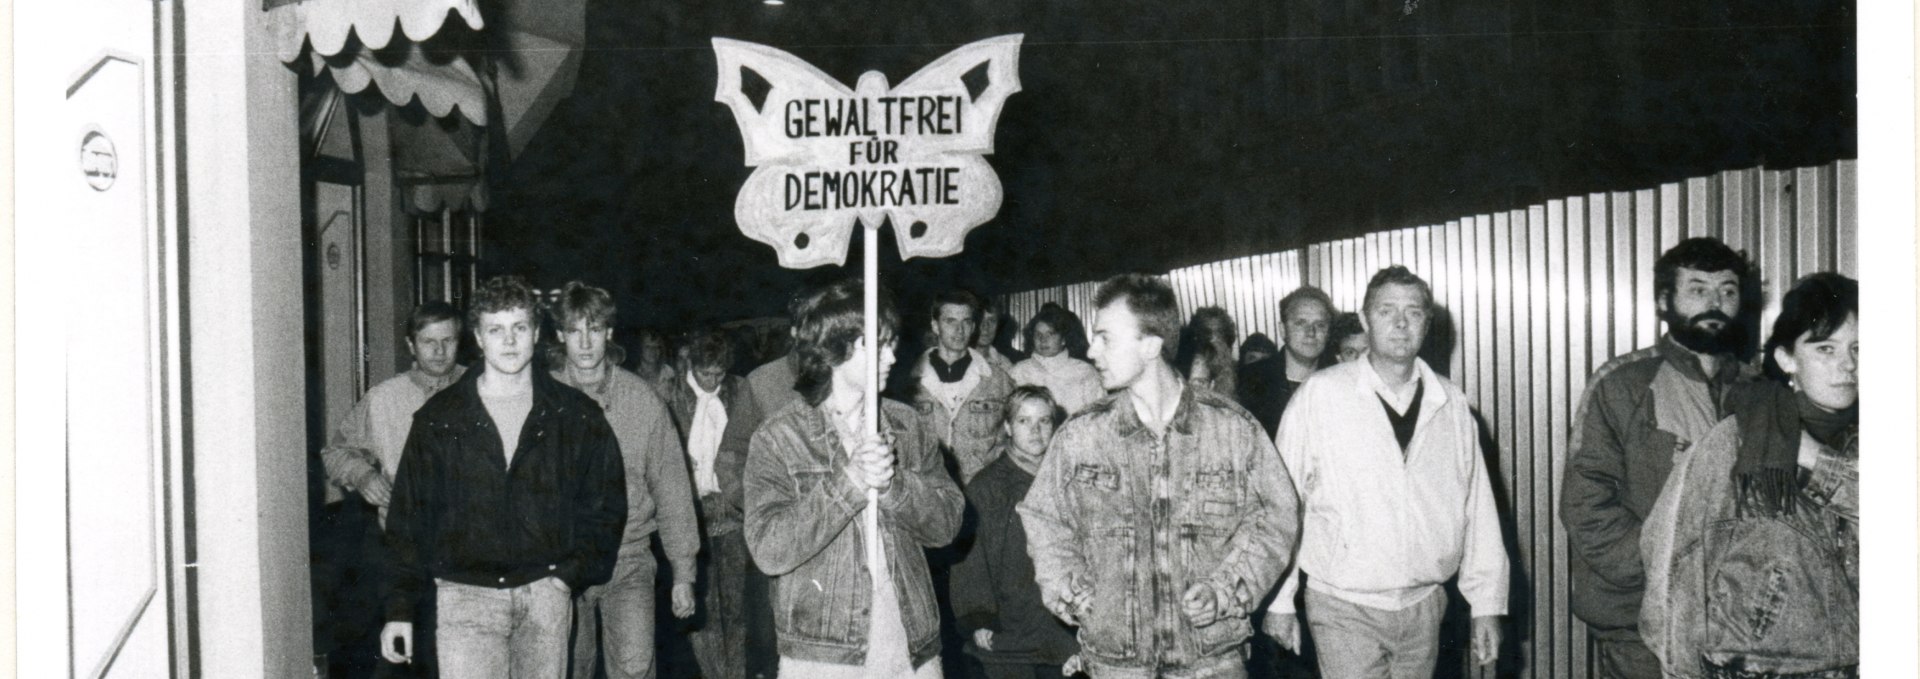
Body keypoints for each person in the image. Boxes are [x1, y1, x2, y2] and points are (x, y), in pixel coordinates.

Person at [1019, 273, 1300, 679]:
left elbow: (1276, 517)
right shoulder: (1080, 436)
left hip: (1210, 662)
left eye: (1105, 338)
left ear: (1151, 345)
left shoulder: (1234, 430)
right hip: (1116, 664)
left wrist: (1226, 589)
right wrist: (1072, 590)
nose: (1092, 349)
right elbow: (1044, 519)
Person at [1263, 266, 1507, 679]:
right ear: (1364, 318)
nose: (1399, 323)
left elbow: (1477, 508)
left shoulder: (1451, 404)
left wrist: (1486, 604)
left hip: (1424, 605)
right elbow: (1283, 505)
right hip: (1343, 603)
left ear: (1427, 324)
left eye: (1413, 312)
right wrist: (1280, 599)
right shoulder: (1321, 396)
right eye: (1386, 310)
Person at [380, 276, 630, 679]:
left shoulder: (576, 415)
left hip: (545, 596)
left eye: (519, 328)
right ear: (478, 337)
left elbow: (606, 506)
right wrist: (399, 609)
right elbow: (408, 517)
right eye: (496, 330)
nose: (509, 341)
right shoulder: (441, 418)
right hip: (465, 598)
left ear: (535, 333)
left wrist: (568, 577)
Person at [1639, 273, 1858, 678]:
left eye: (1859, 348)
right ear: (1786, 359)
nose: (1847, 365)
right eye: (1825, 349)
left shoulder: (1891, 441)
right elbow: (1673, 566)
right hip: (1756, 668)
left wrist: (1820, 461)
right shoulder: (1737, 439)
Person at [744, 278, 966, 679]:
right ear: (833, 349)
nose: (891, 357)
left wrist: (894, 485)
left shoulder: (908, 426)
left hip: (908, 643)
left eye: (892, 343)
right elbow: (768, 549)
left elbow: (948, 524)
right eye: (875, 345)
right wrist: (848, 483)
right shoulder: (779, 437)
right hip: (822, 653)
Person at [1561, 238, 1759, 679]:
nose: (1715, 302)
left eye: (1727, 291)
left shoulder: (1760, 390)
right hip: (1640, 622)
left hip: (1734, 623)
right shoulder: (1622, 385)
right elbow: (1586, 505)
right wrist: (1666, 577)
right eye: (1697, 289)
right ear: (1663, 302)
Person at [547, 282, 702, 679]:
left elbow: (672, 489)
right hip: (560, 561)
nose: (585, 342)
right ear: (560, 334)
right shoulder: (540, 401)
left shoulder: (643, 401)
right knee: (568, 669)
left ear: (609, 333)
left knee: (634, 669)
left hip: (628, 557)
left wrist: (683, 573)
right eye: (575, 330)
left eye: (594, 329)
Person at [318, 302, 466, 678]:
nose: (438, 350)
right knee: (400, 656)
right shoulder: (384, 399)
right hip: (402, 547)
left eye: (447, 340)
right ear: (410, 345)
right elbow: (336, 452)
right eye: (428, 341)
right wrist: (365, 477)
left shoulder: (478, 390)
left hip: (466, 550)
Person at [950, 386, 1079, 679]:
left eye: (1044, 421)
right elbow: (970, 560)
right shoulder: (986, 488)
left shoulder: (1069, 479)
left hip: (1061, 628)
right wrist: (978, 617)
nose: (1035, 430)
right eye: (1024, 421)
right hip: (1009, 632)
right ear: (1008, 426)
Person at [663, 329, 767, 679]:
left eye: (718, 374)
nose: (712, 381)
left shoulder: (739, 391)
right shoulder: (671, 394)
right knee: (703, 611)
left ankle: (735, 674)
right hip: (693, 514)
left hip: (734, 512)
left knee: (736, 608)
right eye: (705, 373)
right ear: (691, 365)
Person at [913, 290, 1016, 484]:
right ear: (935, 326)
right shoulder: (908, 384)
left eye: (966, 322)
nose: (959, 330)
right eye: (950, 321)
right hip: (929, 495)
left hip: (982, 494)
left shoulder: (999, 381)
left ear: (973, 326)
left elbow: (1014, 442)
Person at [1236, 286, 1334, 438]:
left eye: (1320, 325)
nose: (1311, 332)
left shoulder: (1339, 378)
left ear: (1328, 333)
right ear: (1282, 330)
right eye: (1301, 323)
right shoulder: (1251, 380)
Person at [1008, 304, 1104, 416]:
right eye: (1038, 334)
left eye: (1050, 334)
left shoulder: (1085, 373)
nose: (1043, 340)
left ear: (1063, 339)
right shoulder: (1017, 372)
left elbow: (1100, 417)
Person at [1180, 306, 1239, 399]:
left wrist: (1225, 372)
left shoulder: (1237, 372)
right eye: (1205, 333)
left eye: (1220, 333)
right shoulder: (1185, 368)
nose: (1212, 339)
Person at [975, 301, 1022, 374]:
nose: (986, 326)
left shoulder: (1005, 365)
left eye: (991, 320)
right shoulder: (958, 359)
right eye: (981, 320)